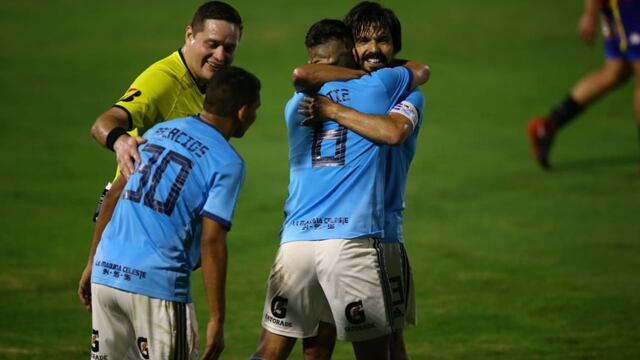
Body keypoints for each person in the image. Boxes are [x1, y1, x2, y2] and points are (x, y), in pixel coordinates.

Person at [250, 19, 428, 360]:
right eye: (363, 42)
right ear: (350, 53)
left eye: (382, 40)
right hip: (355, 239)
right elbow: (420, 71)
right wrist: (368, 76)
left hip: (296, 244)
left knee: (275, 352)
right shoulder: (381, 87)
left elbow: (302, 75)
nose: (372, 50)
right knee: (384, 350)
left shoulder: (294, 105)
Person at [77, 66, 261, 360]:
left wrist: (92, 261)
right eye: (254, 110)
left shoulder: (159, 131)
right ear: (242, 111)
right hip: (156, 285)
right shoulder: (227, 162)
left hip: (107, 274)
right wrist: (217, 319)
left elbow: (113, 195)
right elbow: (212, 241)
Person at [89, 1, 243, 222]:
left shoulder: (208, 83)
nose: (220, 56)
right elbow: (104, 123)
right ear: (190, 35)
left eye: (229, 48)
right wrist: (120, 141)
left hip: (162, 215)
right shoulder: (164, 80)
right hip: (131, 213)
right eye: (212, 44)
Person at [528, 0, 640, 169]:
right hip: (628, 7)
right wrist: (589, 14)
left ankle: (549, 125)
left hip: (616, 7)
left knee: (616, 72)